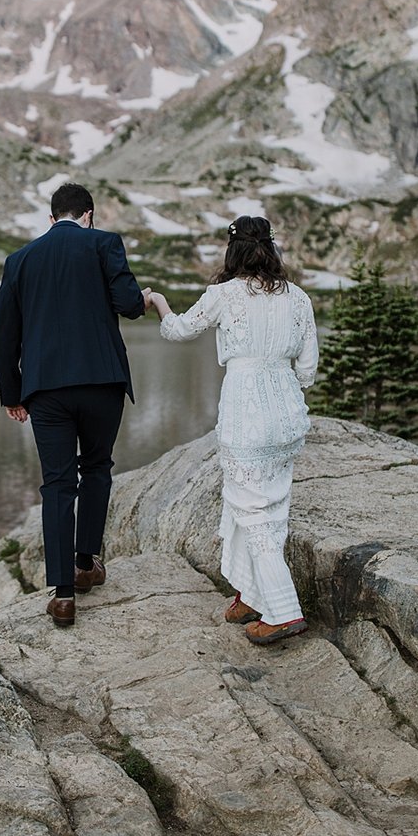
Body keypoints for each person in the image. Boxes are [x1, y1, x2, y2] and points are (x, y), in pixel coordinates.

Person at [146, 216, 318, 645]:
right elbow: (309, 370)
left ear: (233, 250)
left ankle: (282, 610)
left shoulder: (224, 294)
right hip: (287, 411)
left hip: (248, 412)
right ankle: (249, 592)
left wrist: (161, 303)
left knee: (251, 510)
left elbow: (178, 329)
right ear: (271, 250)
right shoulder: (299, 298)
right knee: (268, 508)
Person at [0, 182, 148, 627]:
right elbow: (128, 305)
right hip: (102, 382)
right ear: (89, 215)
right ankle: (85, 565)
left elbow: (3, 332)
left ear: (51, 218)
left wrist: (12, 393)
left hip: (46, 390)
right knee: (96, 467)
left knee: (57, 484)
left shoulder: (19, 260)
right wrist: (147, 298)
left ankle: (62, 595)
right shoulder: (104, 244)